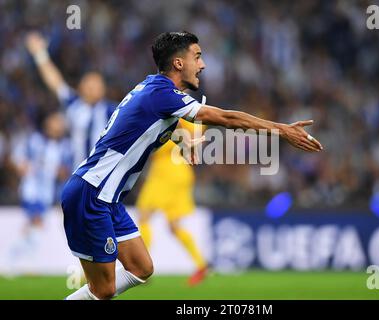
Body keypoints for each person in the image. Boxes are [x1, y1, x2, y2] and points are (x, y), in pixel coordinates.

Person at [63, 31, 323, 300]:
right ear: (178, 63)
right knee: (103, 289)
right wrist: (282, 130)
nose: (203, 65)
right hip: (91, 192)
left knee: (142, 267)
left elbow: (156, 129)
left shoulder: (152, 91)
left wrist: (185, 144)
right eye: (197, 57)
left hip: (108, 198)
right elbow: (226, 118)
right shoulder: (162, 93)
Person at [25, 32, 116, 168]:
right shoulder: (74, 104)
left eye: (98, 84)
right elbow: (55, 82)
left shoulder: (112, 110)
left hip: (103, 176)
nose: (94, 88)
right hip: (78, 173)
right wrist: (40, 55)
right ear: (81, 87)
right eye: (90, 84)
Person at [136, 119, 208, 286]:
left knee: (144, 216)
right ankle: (201, 264)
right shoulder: (190, 117)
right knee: (174, 225)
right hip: (182, 171)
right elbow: (196, 132)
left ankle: (140, 266)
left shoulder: (171, 112)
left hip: (165, 172)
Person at [10, 112, 71, 265]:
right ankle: (21, 260)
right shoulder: (35, 140)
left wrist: (61, 172)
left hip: (48, 193)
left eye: (60, 123)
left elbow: (66, 172)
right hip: (32, 190)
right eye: (56, 122)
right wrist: (20, 165)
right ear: (47, 124)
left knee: (34, 225)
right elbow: (18, 158)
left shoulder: (65, 146)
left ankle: (15, 257)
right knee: (37, 222)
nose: (59, 126)